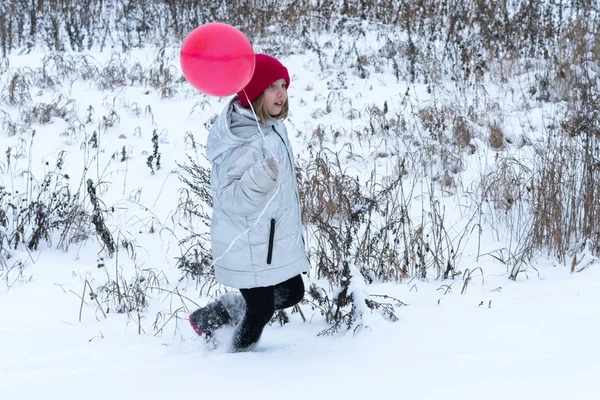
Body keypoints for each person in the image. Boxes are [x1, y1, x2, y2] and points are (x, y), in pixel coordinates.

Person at [189, 54, 310, 351]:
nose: (281, 93)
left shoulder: (270, 126)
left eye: (283, 84)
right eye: (271, 87)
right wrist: (259, 177)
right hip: (248, 241)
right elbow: (228, 197)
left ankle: (215, 314)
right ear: (253, 93)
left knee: (293, 291)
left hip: (269, 237)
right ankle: (237, 357)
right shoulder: (242, 139)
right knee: (261, 310)